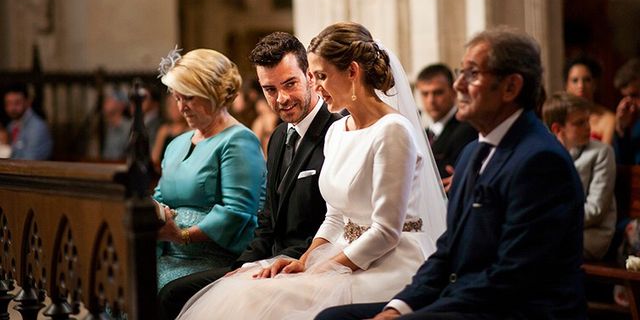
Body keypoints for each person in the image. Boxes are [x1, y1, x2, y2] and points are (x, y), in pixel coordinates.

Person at [176, 22, 447, 320]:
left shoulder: (393, 130)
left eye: (320, 76)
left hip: (390, 264)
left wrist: (323, 269)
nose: (315, 86)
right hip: (343, 255)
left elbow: (385, 232)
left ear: (353, 72)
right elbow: (334, 217)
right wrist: (304, 263)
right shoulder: (338, 131)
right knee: (245, 290)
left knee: (259, 299)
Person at [318, 26, 585, 319]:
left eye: (472, 74)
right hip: (464, 296)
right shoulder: (473, 152)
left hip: (514, 308)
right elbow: (447, 251)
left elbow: (513, 277)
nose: (458, 84)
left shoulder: (540, 161)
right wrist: (398, 308)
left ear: (510, 87)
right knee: (332, 317)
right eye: (460, 72)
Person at [157, 32, 341, 320]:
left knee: (175, 293)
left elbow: (336, 220)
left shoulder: (338, 132)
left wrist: (286, 261)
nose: (281, 99)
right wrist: (241, 267)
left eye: (290, 84)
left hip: (311, 261)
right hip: (268, 259)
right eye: (270, 89)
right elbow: (267, 221)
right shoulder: (280, 135)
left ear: (310, 76)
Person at [154, 47, 266, 291]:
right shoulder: (176, 144)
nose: (181, 107)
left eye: (189, 97)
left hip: (212, 259)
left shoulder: (238, 140)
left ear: (213, 94)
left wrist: (182, 235)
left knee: (158, 290)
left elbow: (237, 213)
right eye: (177, 97)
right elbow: (159, 197)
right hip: (167, 255)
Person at [543, 91, 616, 260]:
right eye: (579, 123)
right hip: (555, 230)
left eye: (587, 121)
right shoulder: (546, 154)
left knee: (542, 250)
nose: (588, 127)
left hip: (591, 233)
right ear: (557, 129)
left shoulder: (602, 152)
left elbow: (596, 210)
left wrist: (555, 221)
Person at [415, 63, 476, 190]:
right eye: (425, 94)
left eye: (438, 93)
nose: (431, 100)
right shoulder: (422, 134)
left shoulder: (469, 128)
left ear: (453, 92)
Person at [565, 54, 616, 144]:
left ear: (595, 84)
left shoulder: (608, 119)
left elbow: (605, 155)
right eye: (575, 80)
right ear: (566, 86)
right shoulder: (560, 117)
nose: (581, 86)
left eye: (587, 80)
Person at [4, 82, 53, 160]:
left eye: (17, 103)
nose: (12, 108)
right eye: (8, 103)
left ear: (28, 102)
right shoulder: (11, 125)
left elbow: (29, 162)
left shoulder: (37, 128)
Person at [151, 95, 189, 173]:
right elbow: (154, 159)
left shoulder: (192, 131)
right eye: (170, 105)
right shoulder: (163, 130)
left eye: (176, 104)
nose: (173, 108)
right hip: (164, 174)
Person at [613, 57, 640, 165]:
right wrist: (621, 128)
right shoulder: (634, 125)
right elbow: (623, 163)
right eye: (626, 97)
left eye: (635, 95)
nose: (631, 104)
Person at [101, 88, 133, 161]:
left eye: (110, 99)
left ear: (121, 105)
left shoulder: (129, 128)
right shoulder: (110, 127)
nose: (106, 102)